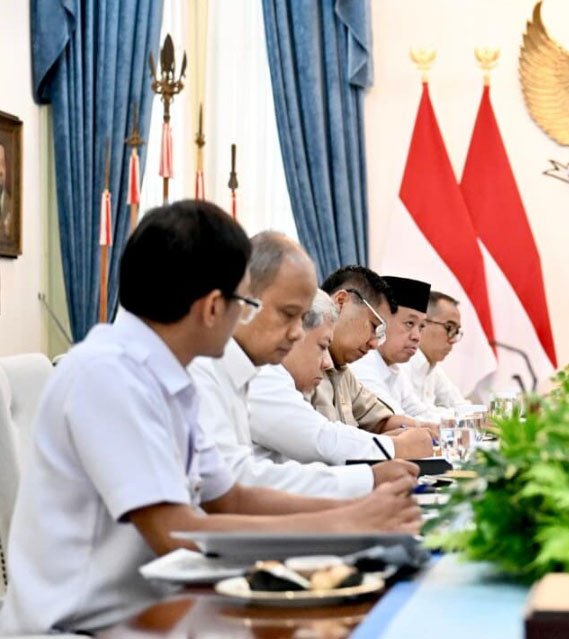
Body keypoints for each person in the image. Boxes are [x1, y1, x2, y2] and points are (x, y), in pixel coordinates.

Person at [0, 201, 420, 635]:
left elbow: (230, 498)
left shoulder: (167, 374)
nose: (247, 315)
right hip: (81, 627)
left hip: (154, 608)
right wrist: (342, 523)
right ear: (213, 307)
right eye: (246, 302)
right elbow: (176, 533)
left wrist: (361, 509)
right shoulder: (107, 374)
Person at [188, 233, 416, 498]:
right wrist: (370, 477)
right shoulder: (230, 368)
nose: (297, 333)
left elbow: (257, 475)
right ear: (240, 299)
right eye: (288, 314)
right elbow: (232, 491)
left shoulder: (246, 367)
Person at [248, 266, 432, 464]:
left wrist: (392, 441)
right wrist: (395, 446)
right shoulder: (261, 372)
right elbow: (318, 440)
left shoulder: (341, 367)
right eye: (374, 327)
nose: (374, 343)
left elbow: (377, 422)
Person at [351, 276, 447, 420]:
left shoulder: (393, 367)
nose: (417, 336)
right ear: (381, 321)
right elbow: (395, 420)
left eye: (421, 327)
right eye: (409, 323)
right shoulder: (363, 361)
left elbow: (421, 412)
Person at [408, 290, 469, 411]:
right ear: (422, 324)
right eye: (449, 328)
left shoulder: (431, 367)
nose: (453, 340)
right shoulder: (401, 364)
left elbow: (462, 406)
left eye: (456, 332)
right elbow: (414, 415)